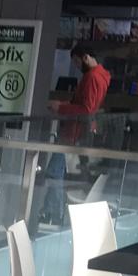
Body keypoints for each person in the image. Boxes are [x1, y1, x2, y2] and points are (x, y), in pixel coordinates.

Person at [41, 44, 111, 225]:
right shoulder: (102, 76)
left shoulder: (92, 77)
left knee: (54, 173)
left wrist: (61, 108)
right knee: (56, 172)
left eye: (78, 62)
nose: (77, 66)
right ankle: (49, 211)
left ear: (86, 57)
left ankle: (53, 213)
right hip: (79, 131)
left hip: (74, 131)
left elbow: (86, 109)